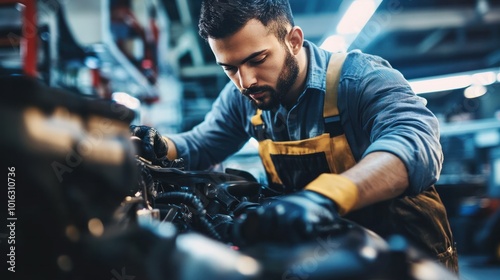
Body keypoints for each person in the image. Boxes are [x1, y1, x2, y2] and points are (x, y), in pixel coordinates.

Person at [130, 0, 458, 273]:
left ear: (294, 40)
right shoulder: (244, 99)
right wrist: (160, 146)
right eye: (229, 68)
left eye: (257, 59)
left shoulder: (360, 80)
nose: (245, 81)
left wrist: (325, 197)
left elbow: (416, 144)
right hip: (323, 262)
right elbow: (201, 144)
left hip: (405, 260)